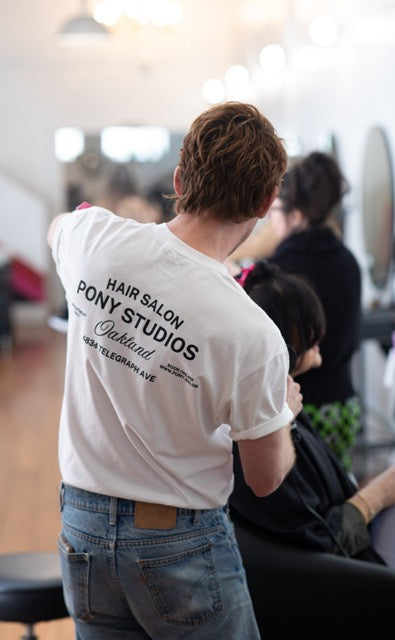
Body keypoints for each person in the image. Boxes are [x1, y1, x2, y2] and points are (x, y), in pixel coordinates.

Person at [47, 101, 299, 640]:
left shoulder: (93, 239)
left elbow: (58, 228)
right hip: (178, 543)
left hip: (81, 529)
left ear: (181, 179)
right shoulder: (253, 334)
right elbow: (265, 479)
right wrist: (285, 413)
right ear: (265, 201)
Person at [230, 260, 395, 566]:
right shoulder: (267, 426)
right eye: (306, 324)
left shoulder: (283, 403)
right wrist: (380, 493)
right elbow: (324, 538)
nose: (320, 332)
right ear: (279, 336)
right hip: (335, 580)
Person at [266, 151, 362, 470]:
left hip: (303, 407)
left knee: (301, 494)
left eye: (275, 210)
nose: (271, 220)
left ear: (295, 215)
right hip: (345, 406)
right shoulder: (349, 261)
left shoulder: (279, 269)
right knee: (339, 490)